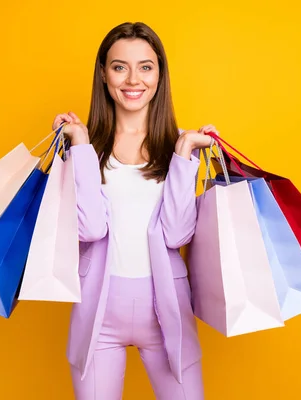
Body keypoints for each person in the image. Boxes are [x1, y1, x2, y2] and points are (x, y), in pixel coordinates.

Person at [53, 21, 217, 400]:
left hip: (167, 317)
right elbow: (90, 228)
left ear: (160, 74)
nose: (133, 79)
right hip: (98, 316)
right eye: (119, 66)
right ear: (104, 74)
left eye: (145, 66)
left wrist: (184, 155)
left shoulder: (178, 147)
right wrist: (79, 146)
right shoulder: (84, 147)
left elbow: (177, 234)